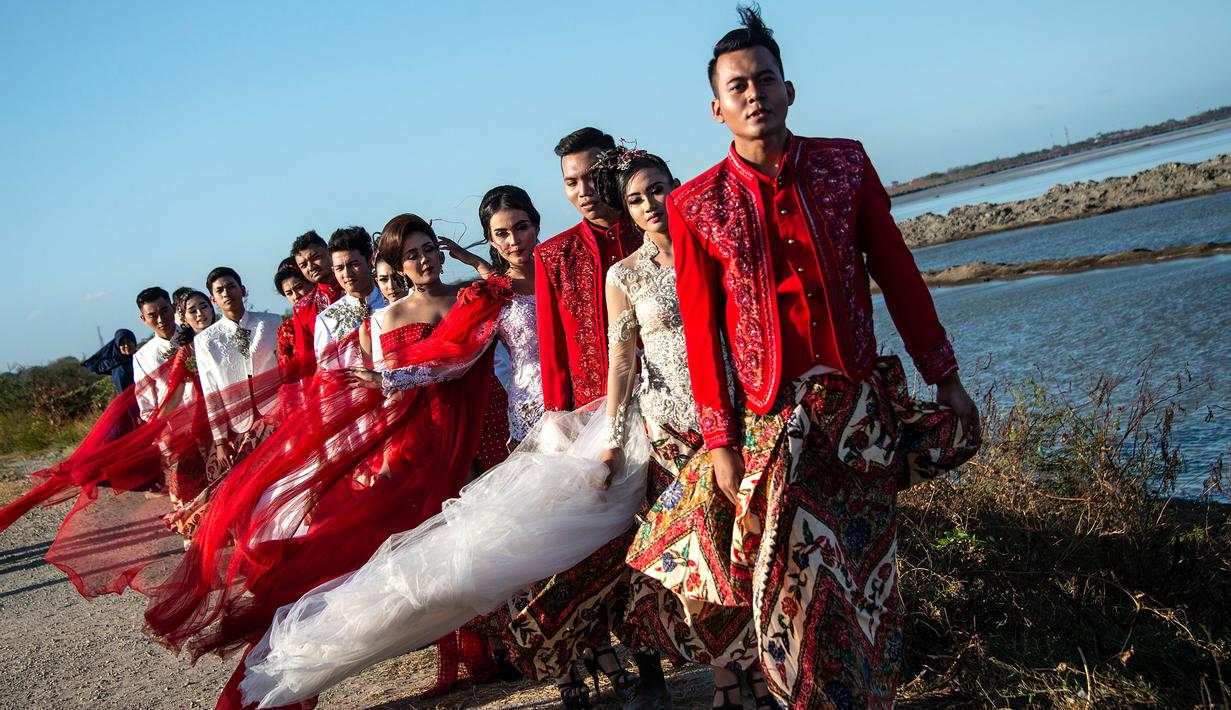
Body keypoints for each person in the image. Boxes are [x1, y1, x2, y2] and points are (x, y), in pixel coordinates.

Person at [668, 8, 980, 707]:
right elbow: (700, 334)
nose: (754, 94)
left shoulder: (844, 163)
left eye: (765, 79)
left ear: (789, 90)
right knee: (793, 581)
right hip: (771, 423)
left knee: (868, 575)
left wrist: (945, 377)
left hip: (858, 415)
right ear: (715, 108)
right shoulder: (696, 204)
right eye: (738, 87)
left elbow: (898, 275)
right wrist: (720, 441)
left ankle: (869, 697)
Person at [143, 216, 512, 710]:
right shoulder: (385, 319)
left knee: (478, 542)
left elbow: (463, 354)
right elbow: (356, 388)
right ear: (398, 265)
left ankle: (493, 650)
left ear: (441, 252)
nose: (423, 260)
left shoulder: (470, 298)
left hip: (476, 435)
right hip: (413, 446)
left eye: (429, 249)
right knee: (362, 558)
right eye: (411, 254)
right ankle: (284, 682)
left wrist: (472, 262)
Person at [592, 149, 768, 710]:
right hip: (671, 429)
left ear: (677, 186)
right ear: (625, 209)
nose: (650, 206)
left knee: (751, 546)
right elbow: (622, 364)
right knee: (705, 562)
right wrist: (614, 442)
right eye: (636, 199)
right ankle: (725, 682)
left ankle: (762, 675)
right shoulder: (623, 275)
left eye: (658, 190)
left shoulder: (712, 250)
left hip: (737, 418)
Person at [535, 127, 643, 413]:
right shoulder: (552, 256)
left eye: (592, 177)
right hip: (591, 416)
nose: (583, 192)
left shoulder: (655, 236)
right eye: (571, 182)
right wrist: (557, 418)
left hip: (664, 403)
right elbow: (553, 353)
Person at [194, 267, 283, 473]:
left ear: (242, 289)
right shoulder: (205, 340)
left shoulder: (272, 322)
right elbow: (212, 392)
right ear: (213, 299)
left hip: (276, 412)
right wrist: (220, 441)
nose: (226, 293)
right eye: (220, 290)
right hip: (238, 423)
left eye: (231, 287)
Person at [157, 289, 220, 537]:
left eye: (203, 306)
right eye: (191, 311)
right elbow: (174, 394)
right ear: (183, 318)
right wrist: (157, 428)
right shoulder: (186, 352)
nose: (199, 313)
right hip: (204, 418)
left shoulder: (226, 336)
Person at [314, 226, 388, 371]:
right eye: (340, 268)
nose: (347, 274)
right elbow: (328, 374)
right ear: (333, 270)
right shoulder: (327, 319)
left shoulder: (391, 302)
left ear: (370, 260)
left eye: (354, 265)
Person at [288, 230, 345, 380]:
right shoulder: (302, 308)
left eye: (315, 258)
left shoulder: (357, 287)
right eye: (303, 264)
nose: (310, 266)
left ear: (329, 252)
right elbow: (307, 363)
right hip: (332, 384)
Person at [132, 287, 180, 422]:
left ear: (174, 308)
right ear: (143, 318)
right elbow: (147, 404)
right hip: (175, 427)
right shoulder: (142, 357)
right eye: (153, 315)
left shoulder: (196, 338)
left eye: (164, 311)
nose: (160, 319)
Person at [274, 259, 313, 368]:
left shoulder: (329, 312)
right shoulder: (287, 329)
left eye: (299, 287)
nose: (296, 296)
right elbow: (287, 370)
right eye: (289, 293)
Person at [83, 329, 138, 395]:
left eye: (129, 342)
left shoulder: (140, 356)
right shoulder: (120, 368)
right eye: (122, 343)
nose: (126, 345)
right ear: (118, 347)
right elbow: (124, 393)